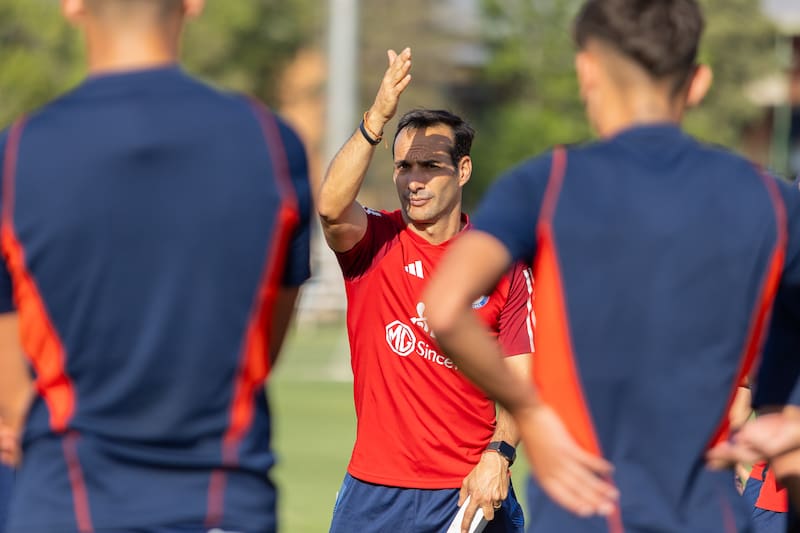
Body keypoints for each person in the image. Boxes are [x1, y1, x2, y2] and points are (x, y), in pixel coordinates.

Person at [423, 0, 800, 531]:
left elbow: (442, 306)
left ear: (587, 72)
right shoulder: (767, 198)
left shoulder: (546, 185)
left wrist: (527, 413)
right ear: (698, 82)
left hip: (581, 510)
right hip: (708, 513)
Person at [0, 0, 312, 531]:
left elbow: (11, 400)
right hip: (225, 504)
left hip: (65, 503)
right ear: (193, 4)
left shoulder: (16, 155)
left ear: (72, 5)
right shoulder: (272, 146)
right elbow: (266, 339)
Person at [317, 47, 534, 532]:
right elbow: (332, 207)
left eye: (429, 166)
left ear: (462, 171)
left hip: (471, 491)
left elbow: (522, 379)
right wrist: (376, 119)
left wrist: (500, 453)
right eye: (403, 168)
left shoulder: (501, 263)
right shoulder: (373, 242)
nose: (413, 181)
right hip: (375, 494)